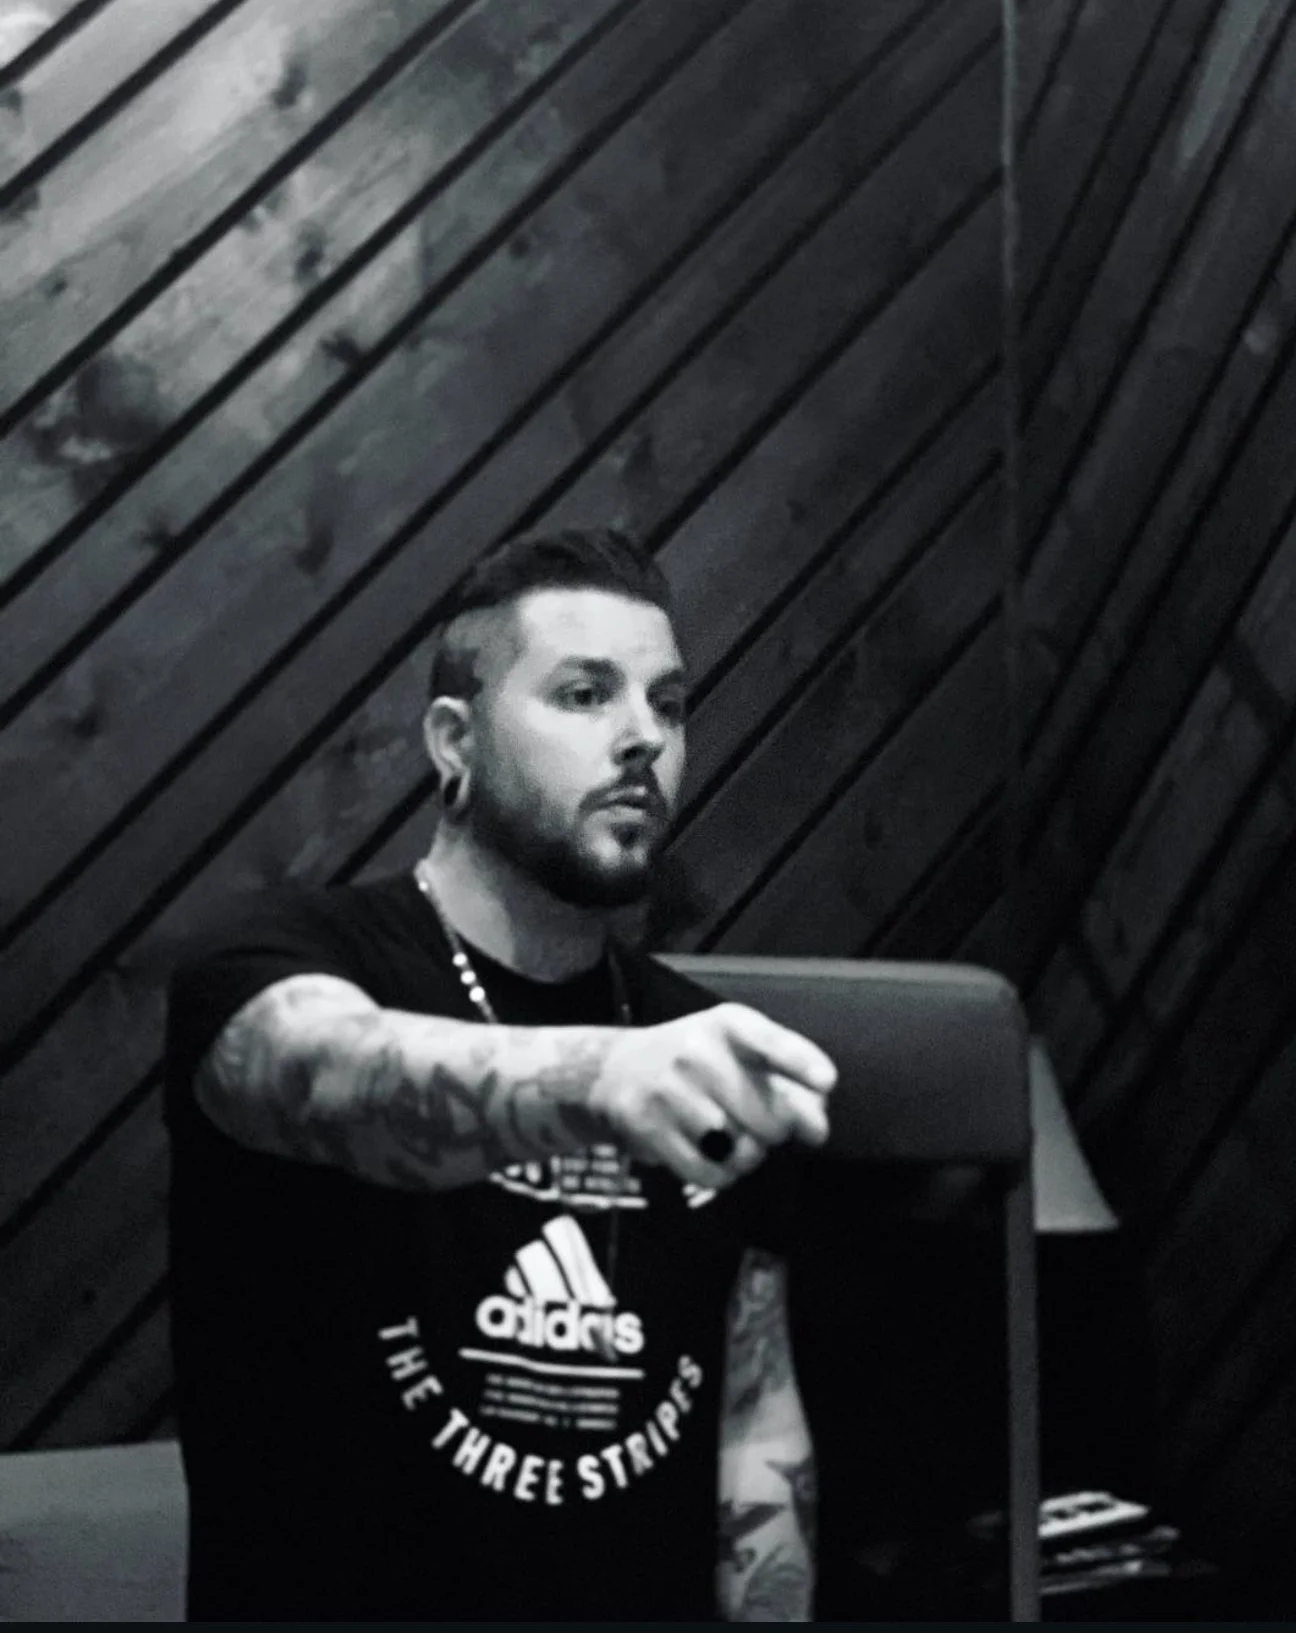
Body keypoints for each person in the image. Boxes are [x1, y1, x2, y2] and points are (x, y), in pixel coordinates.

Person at [164, 527, 838, 1622]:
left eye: (668, 704)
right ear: (455, 740)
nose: (644, 737)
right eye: (584, 694)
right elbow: (321, 1072)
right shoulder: (281, 960)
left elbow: (755, 1429)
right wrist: (597, 1079)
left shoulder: (702, 1043)